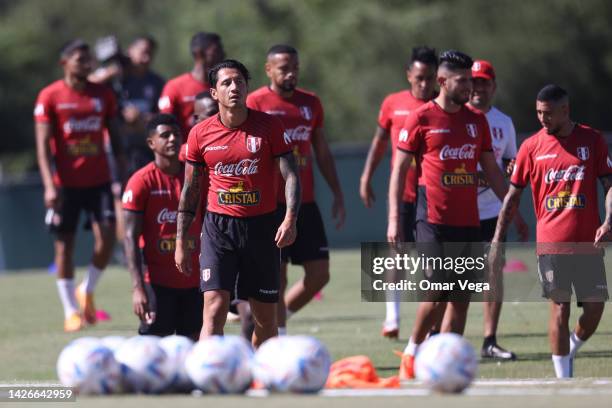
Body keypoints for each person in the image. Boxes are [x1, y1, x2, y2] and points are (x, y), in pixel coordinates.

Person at [387, 50, 508, 379]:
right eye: (462, 80)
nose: (469, 86)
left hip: (468, 222)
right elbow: (398, 171)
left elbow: (492, 171)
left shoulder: (476, 121)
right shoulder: (421, 118)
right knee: (437, 288)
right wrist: (395, 220)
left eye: (471, 80)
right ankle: (413, 351)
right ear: (442, 81)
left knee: (461, 298)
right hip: (432, 221)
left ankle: (445, 362)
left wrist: (512, 208)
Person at [175, 59, 300, 347]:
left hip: (262, 228)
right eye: (226, 83)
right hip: (219, 228)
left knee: (265, 318)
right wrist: (181, 240)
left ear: (247, 87)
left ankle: (260, 375)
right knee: (215, 310)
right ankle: (211, 373)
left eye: (239, 82)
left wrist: (290, 218)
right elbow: (190, 191)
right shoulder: (199, 134)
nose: (234, 88)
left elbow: (291, 175)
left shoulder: (269, 126)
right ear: (214, 93)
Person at [490, 85, 610, 378]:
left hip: (587, 243)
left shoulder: (592, 140)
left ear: (565, 110)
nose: (542, 118)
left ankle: (569, 346)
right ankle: (562, 379)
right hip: (551, 244)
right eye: (538, 112)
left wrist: (608, 222)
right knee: (559, 309)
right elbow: (513, 196)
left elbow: (610, 186)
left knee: (594, 310)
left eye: (548, 113)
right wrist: (496, 240)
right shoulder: (531, 147)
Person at [247, 44, 345, 335]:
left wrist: (338, 191)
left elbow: (322, 151)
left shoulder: (311, 103)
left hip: (306, 201)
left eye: (295, 68)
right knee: (276, 276)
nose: (291, 73)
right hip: (271, 205)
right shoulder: (256, 102)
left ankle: (280, 318)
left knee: (319, 274)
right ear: (268, 70)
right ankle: (279, 339)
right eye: (283, 68)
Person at [34, 39, 126, 332]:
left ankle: (86, 289)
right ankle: (71, 311)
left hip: (99, 181)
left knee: (108, 237)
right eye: (79, 59)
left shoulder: (103, 95)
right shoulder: (50, 96)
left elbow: (116, 137)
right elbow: (43, 148)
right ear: (65, 63)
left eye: (88, 60)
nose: (85, 64)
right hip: (65, 185)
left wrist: (120, 178)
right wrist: (50, 185)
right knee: (64, 246)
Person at [359, 46, 438, 339]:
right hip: (404, 194)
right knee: (398, 256)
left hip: (434, 196)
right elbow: (380, 141)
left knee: (433, 262)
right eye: (419, 77)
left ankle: (431, 324)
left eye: (430, 78)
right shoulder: (393, 103)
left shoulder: (444, 107)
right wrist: (366, 176)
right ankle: (392, 317)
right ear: (409, 75)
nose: (424, 84)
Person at [122, 114, 203, 340]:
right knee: (154, 357)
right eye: (164, 135)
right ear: (151, 143)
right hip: (157, 285)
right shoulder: (141, 182)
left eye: (176, 134)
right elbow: (130, 237)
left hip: (195, 283)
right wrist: (138, 288)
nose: (172, 140)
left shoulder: (194, 176)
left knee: (196, 352)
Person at [158, 32, 225, 135]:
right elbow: (165, 122)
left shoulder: (223, 86)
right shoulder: (174, 87)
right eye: (217, 50)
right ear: (199, 53)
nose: (223, 54)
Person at [119, 35, 166, 175]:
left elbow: (163, 116)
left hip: (146, 149)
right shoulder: (115, 79)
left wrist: (141, 117)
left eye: (150, 54)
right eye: (143, 52)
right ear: (130, 50)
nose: (147, 58)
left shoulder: (157, 82)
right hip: (118, 151)